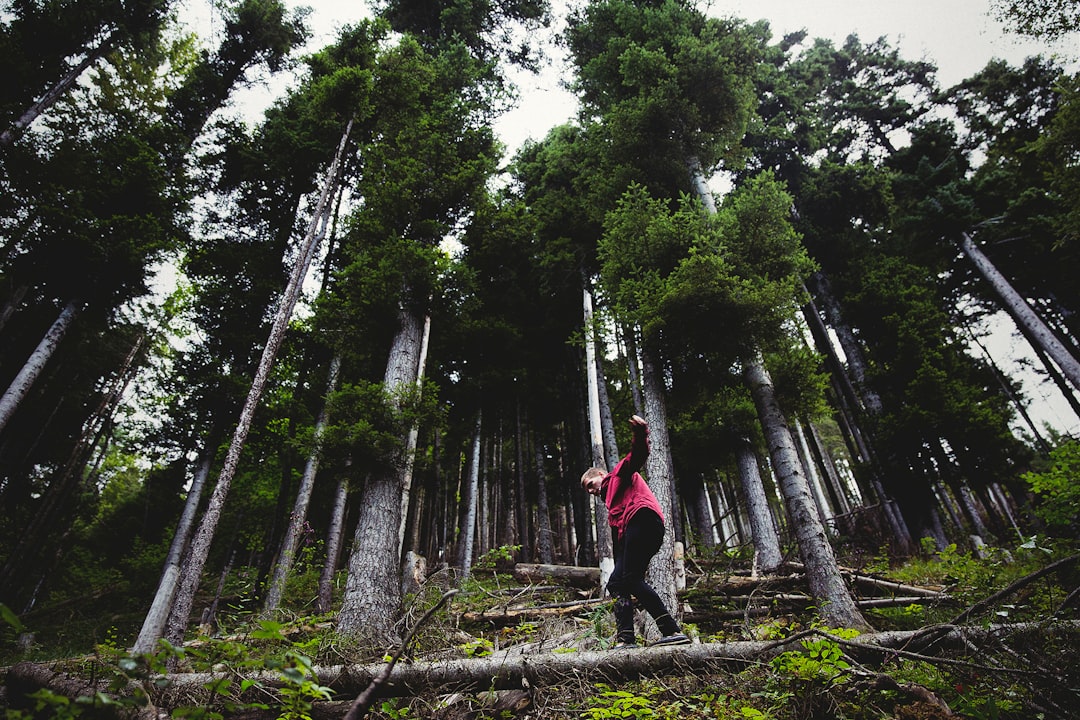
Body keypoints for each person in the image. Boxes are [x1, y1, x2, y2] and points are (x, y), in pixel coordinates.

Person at [581, 414, 690, 648]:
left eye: (591, 485)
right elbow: (620, 543)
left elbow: (637, 456)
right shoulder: (612, 507)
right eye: (587, 490)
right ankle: (626, 640)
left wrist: (641, 434)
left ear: (600, 475)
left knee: (629, 578)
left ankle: (671, 631)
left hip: (644, 520)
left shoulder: (618, 477)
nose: (591, 491)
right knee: (617, 583)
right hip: (637, 530)